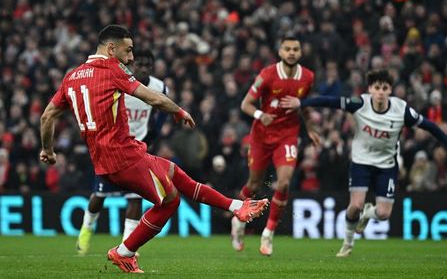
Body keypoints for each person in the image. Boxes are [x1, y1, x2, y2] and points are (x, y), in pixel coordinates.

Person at [40, 25, 269, 273]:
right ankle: (124, 252)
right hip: (122, 156)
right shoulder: (111, 69)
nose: (130, 58)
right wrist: (179, 111)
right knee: (170, 202)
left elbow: (47, 117)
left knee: (175, 173)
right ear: (110, 48)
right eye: (127, 51)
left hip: (112, 156)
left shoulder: (72, 77)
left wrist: (48, 150)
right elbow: (153, 98)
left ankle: (237, 207)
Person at [280, 69, 447, 257]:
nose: (380, 92)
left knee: (384, 214)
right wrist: (301, 102)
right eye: (376, 87)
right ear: (370, 89)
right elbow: (330, 102)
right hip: (361, 162)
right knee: (355, 206)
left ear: (390, 91)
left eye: (384, 88)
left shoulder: (401, 110)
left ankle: (369, 213)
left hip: (387, 165)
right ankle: (347, 243)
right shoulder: (359, 103)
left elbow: (430, 126)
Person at [231, 36, 320, 256]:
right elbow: (245, 104)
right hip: (261, 135)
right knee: (254, 183)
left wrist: (309, 127)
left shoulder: (308, 77)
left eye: (295, 49)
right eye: (287, 49)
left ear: (300, 52)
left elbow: (305, 106)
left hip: (287, 136)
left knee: (284, 183)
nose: (291, 52)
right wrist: (261, 115)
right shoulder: (267, 74)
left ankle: (268, 234)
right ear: (280, 51)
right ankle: (239, 221)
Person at [76, 49, 169, 255]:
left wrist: (150, 138)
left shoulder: (159, 87)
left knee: (135, 197)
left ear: (152, 67)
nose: (144, 68)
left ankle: (128, 245)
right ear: (133, 65)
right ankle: (86, 229)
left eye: (148, 64)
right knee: (100, 195)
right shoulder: (119, 81)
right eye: (140, 64)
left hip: (136, 148)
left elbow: (160, 117)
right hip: (111, 147)